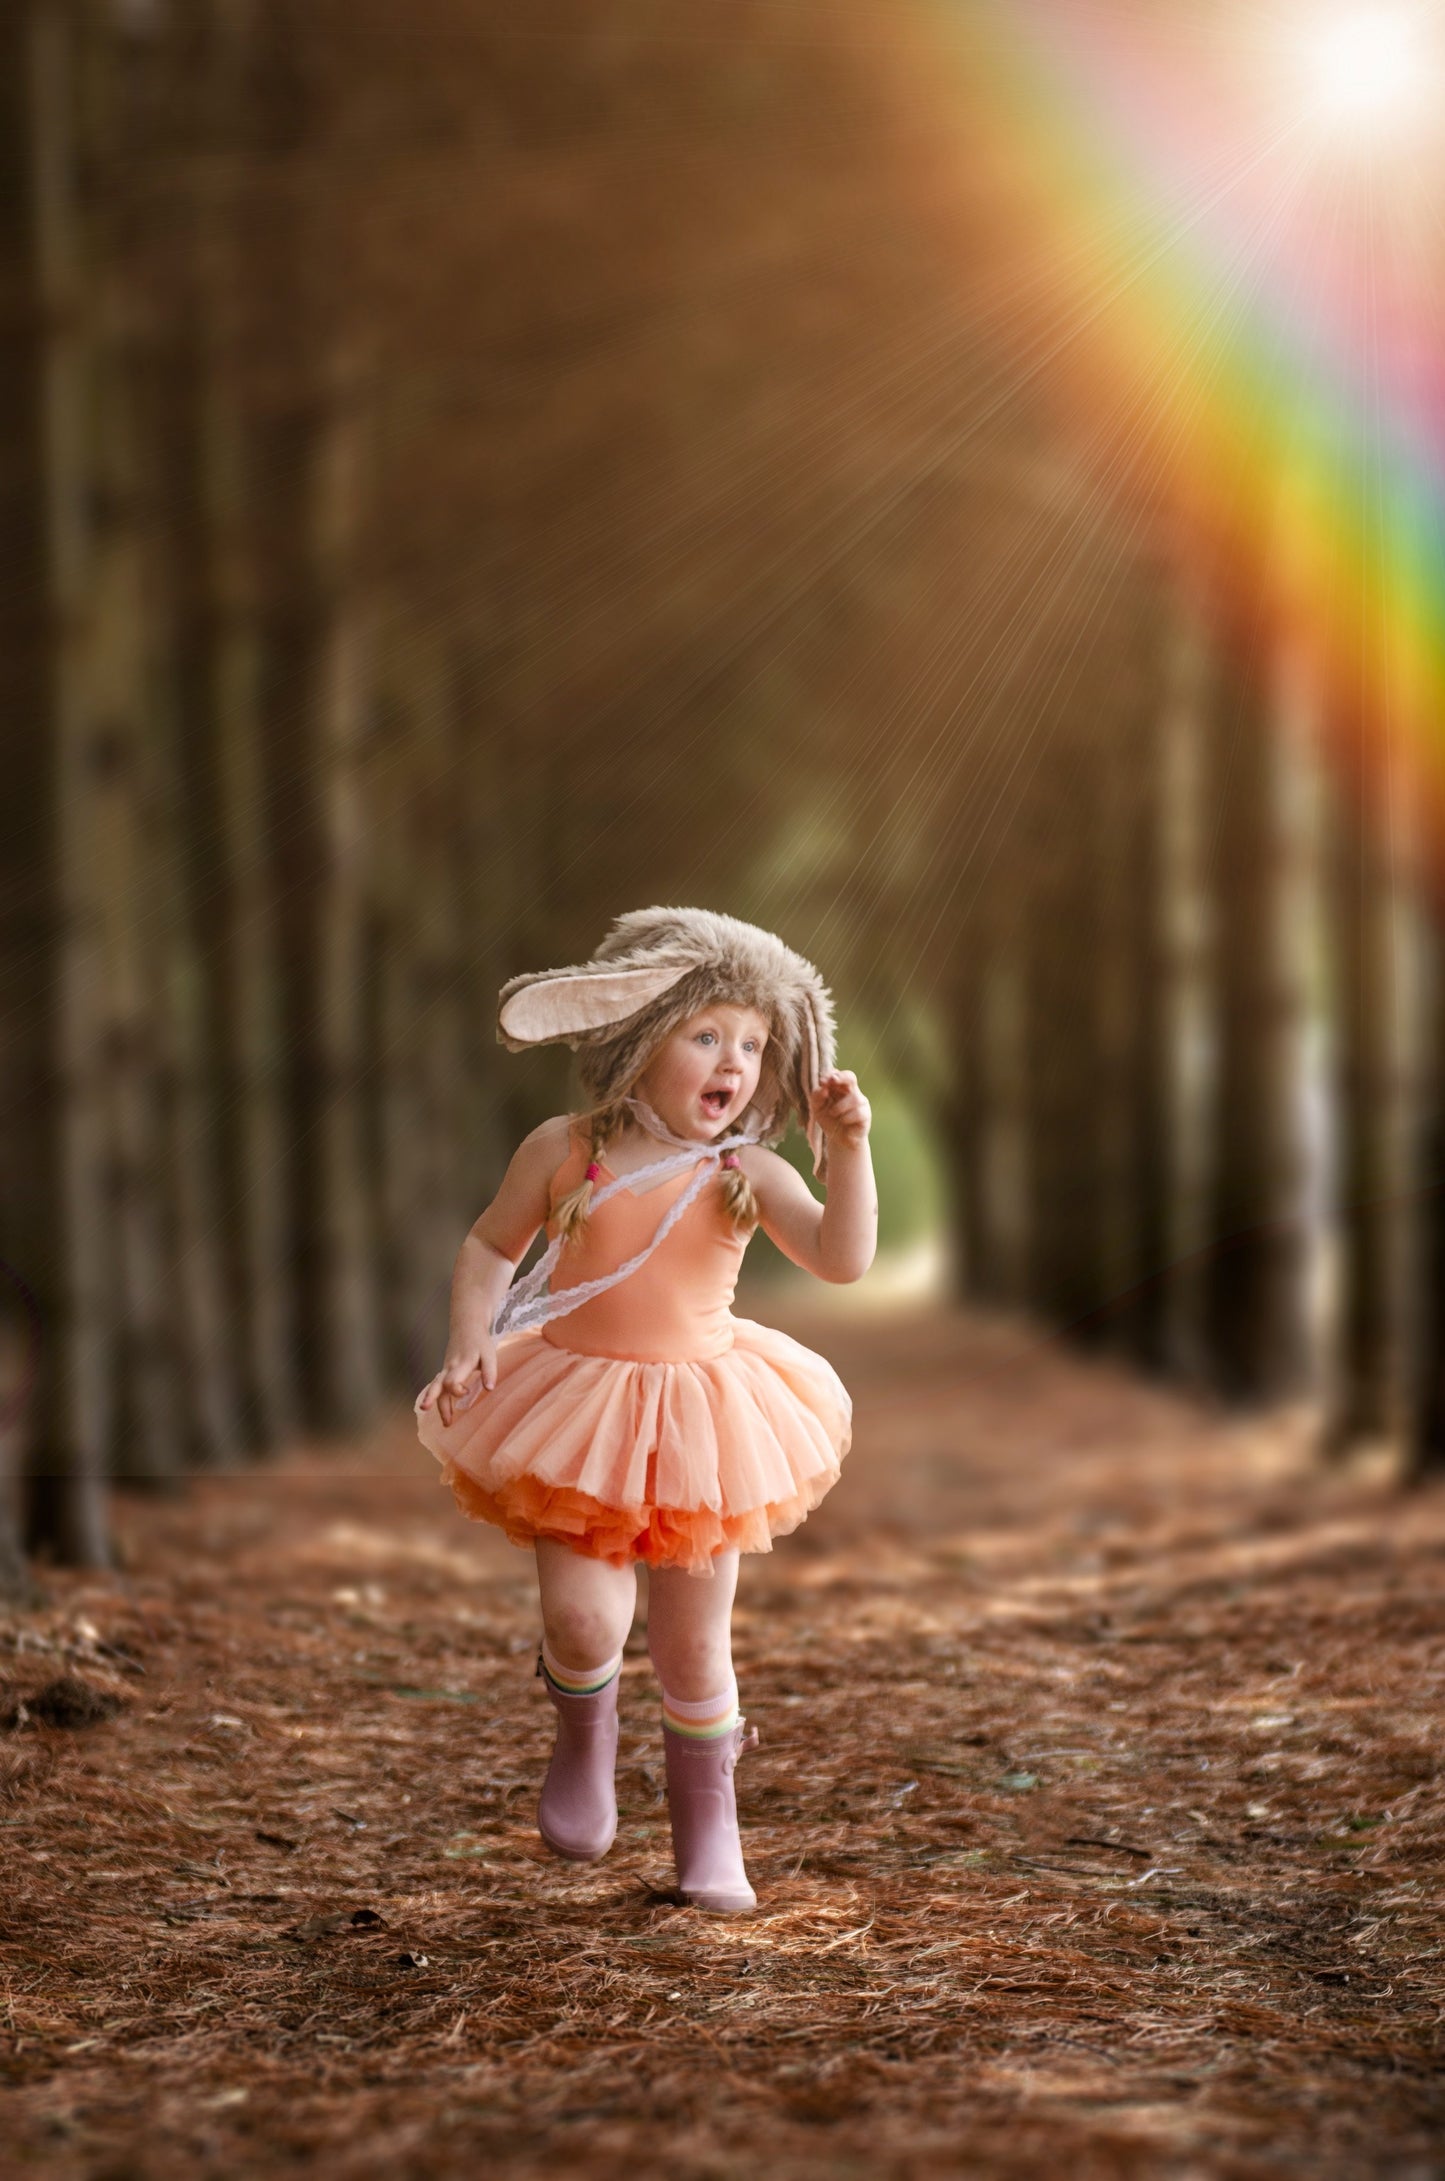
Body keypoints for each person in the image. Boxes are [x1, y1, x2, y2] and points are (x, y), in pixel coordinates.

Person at [415, 906, 876, 1913]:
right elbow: (491, 1249)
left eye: (753, 1045)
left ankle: (709, 1832)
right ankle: (584, 1732)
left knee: (693, 1646)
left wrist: (848, 1151)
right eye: (706, 1035)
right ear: (635, 1034)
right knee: (582, 1621)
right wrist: (468, 1341)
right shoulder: (564, 1148)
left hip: (702, 1428)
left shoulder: (743, 1173)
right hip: (576, 1414)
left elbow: (842, 1260)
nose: (734, 1062)